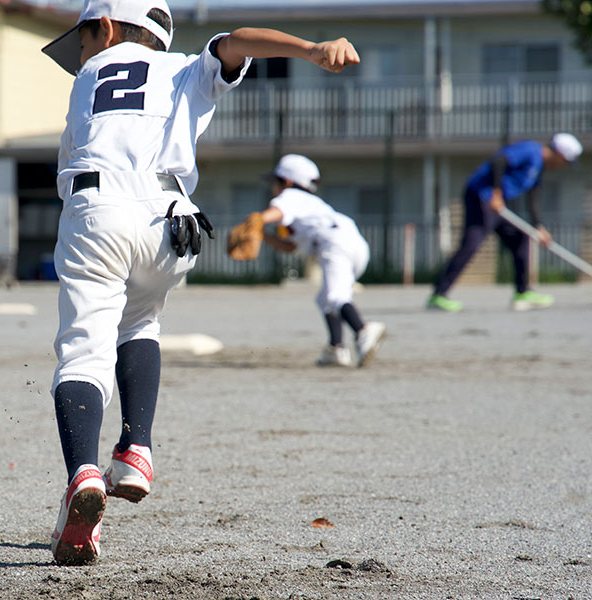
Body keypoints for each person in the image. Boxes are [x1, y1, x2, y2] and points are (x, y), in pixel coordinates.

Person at [41, 0, 359, 566]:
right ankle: (136, 449)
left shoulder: (89, 76)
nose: (80, 52)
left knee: (83, 352)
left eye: (83, 39)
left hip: (96, 205)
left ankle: (84, 473)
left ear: (105, 27)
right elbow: (238, 40)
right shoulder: (184, 67)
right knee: (140, 322)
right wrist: (311, 50)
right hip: (173, 220)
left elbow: (70, 169)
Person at [254, 154, 385, 368]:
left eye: (275, 182)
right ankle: (336, 349)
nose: (274, 188)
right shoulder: (311, 204)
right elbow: (291, 247)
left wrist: (257, 220)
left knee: (334, 296)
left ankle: (363, 330)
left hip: (334, 243)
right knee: (326, 299)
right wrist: (262, 234)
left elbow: (276, 212)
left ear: (286, 182)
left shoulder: (291, 196)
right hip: (351, 242)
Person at [428, 133, 583, 312]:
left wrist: (539, 227)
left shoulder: (538, 168)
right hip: (481, 198)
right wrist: (497, 193)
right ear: (560, 155)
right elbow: (498, 162)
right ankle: (439, 294)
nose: (562, 166)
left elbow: (532, 197)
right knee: (471, 245)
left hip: (498, 205)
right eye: (565, 161)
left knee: (520, 239)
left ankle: (522, 292)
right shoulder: (530, 150)